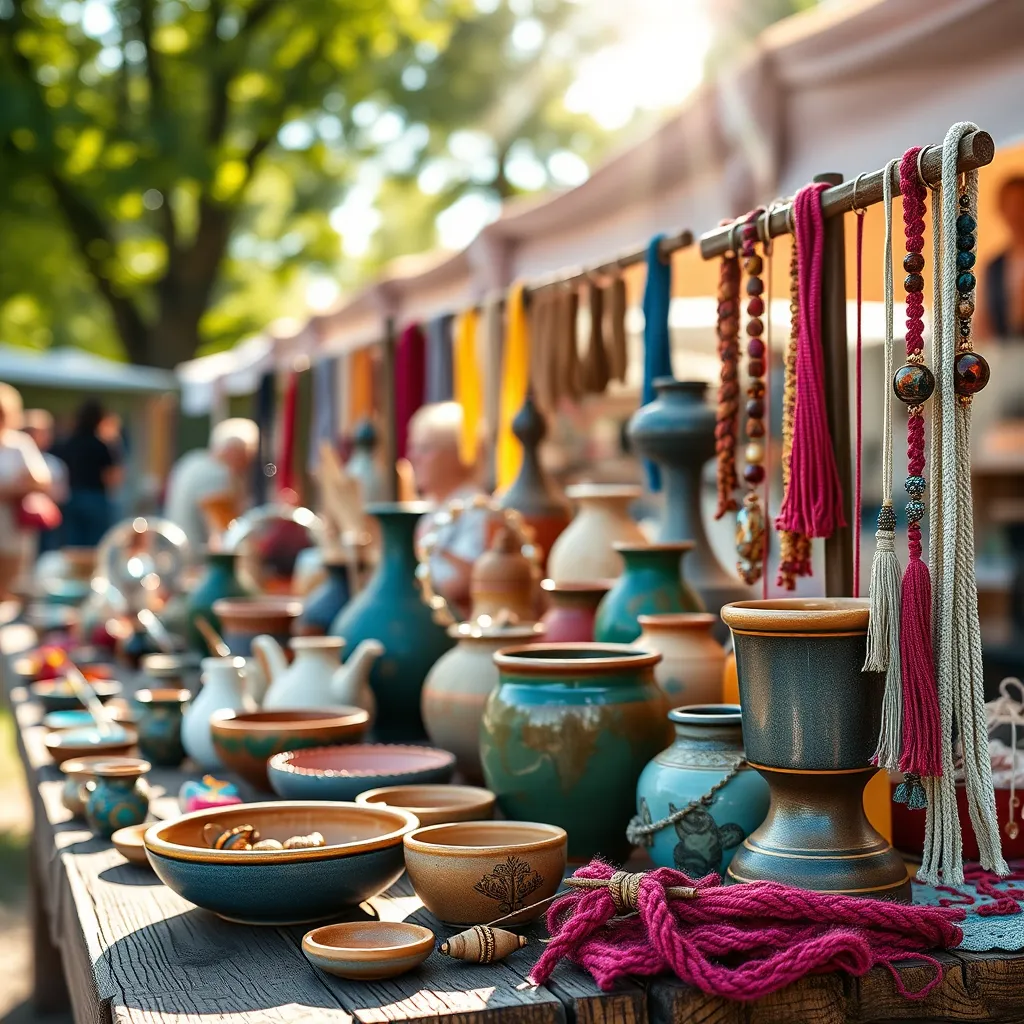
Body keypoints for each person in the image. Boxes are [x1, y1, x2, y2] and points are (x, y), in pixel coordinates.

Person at [407, 402, 490, 617]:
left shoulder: (476, 509)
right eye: (413, 448)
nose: (414, 457)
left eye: (424, 449)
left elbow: (468, 579)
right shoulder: (432, 509)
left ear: (457, 455)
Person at [163, 418, 259, 554]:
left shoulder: (191, 461)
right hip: (197, 562)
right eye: (249, 453)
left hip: (178, 555)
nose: (249, 463)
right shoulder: (216, 474)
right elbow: (222, 536)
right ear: (235, 451)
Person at [0, 385, 52, 596]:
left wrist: (10, 489)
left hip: (12, 526)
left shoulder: (19, 444)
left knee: (10, 581)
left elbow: (41, 480)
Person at [51, 398, 122, 547]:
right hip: (96, 498)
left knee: (73, 545)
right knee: (96, 545)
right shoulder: (101, 445)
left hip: (72, 498)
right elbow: (112, 477)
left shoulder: (69, 443)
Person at [23, 409, 68, 555]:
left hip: (46, 524)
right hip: (16, 524)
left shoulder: (54, 464)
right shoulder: (11, 457)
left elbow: (62, 494)